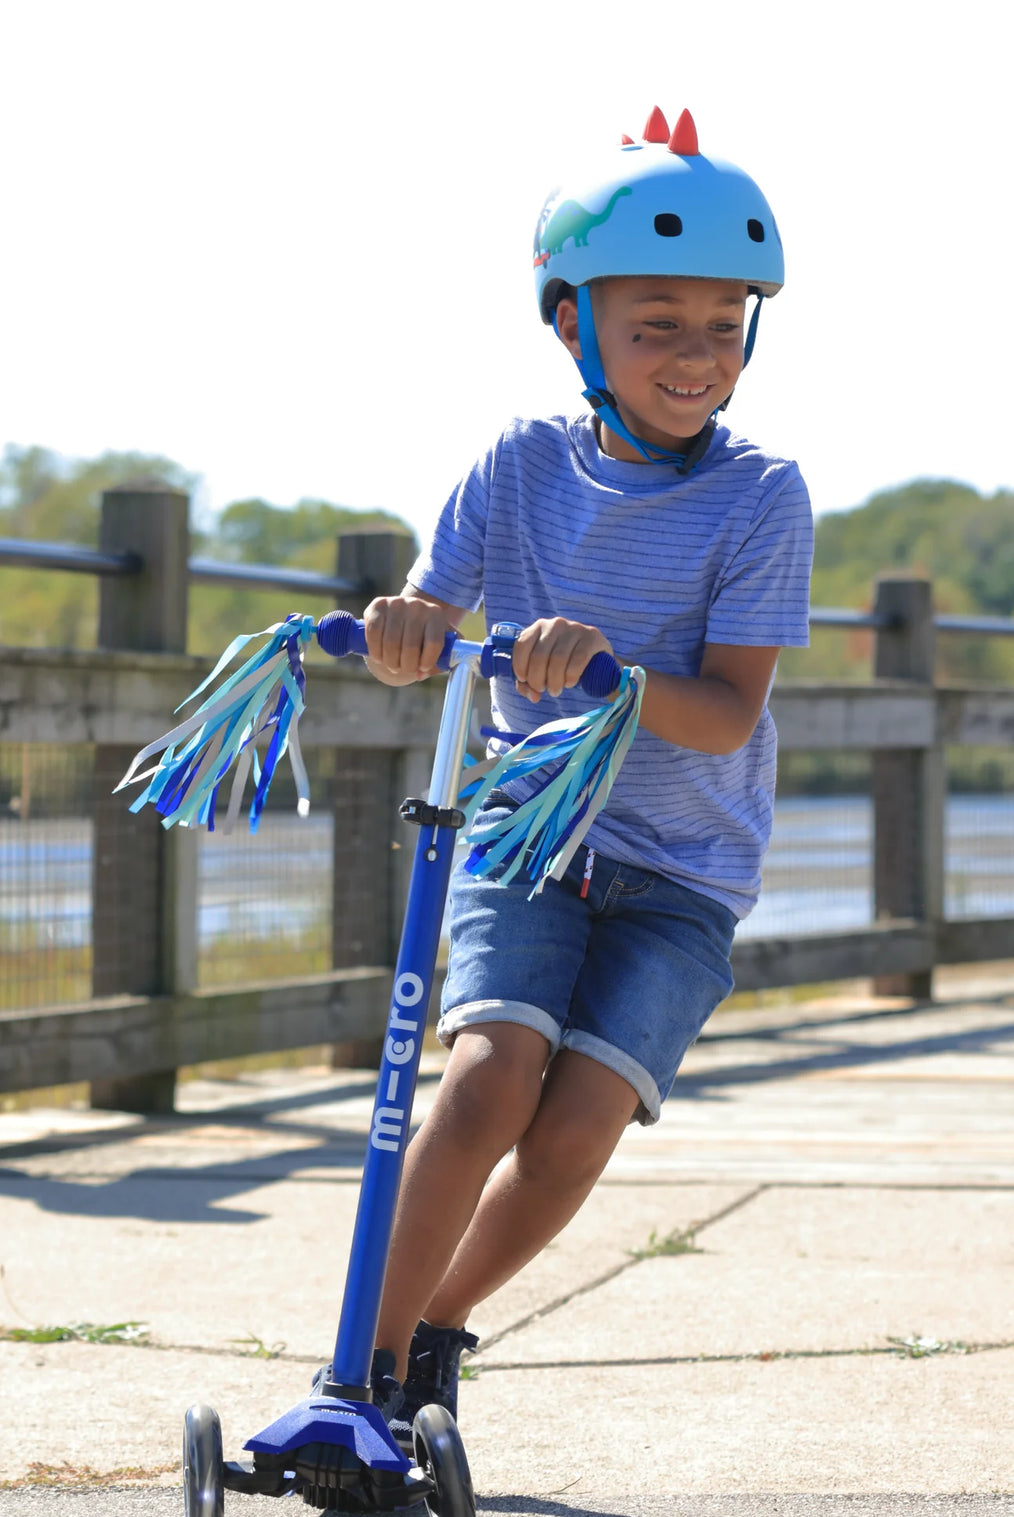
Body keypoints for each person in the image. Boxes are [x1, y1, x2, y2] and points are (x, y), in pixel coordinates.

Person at [354, 106, 813, 1438]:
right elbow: (428, 625)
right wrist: (402, 628)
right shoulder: (516, 462)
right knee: (493, 1072)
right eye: (656, 321)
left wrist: (606, 664)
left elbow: (727, 713)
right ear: (575, 328)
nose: (695, 354)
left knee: (573, 1129)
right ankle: (362, 1381)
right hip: (532, 835)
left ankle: (436, 1328)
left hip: (683, 868)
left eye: (723, 324)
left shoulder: (761, 495)